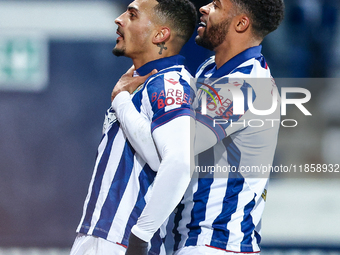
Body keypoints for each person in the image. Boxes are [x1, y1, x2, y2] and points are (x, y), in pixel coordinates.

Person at [111, 0, 285, 254]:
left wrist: (121, 100)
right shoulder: (209, 69)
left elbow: (174, 155)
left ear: (241, 23)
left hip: (218, 245)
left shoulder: (246, 84)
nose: (203, 8)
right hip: (196, 242)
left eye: (216, 5)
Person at [69, 0, 197, 254]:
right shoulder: (142, 84)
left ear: (161, 34)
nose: (119, 19)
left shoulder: (169, 83)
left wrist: (139, 236)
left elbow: (178, 162)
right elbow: (157, 157)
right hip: (101, 236)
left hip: (120, 241)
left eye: (132, 15)